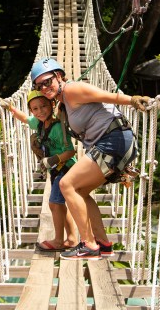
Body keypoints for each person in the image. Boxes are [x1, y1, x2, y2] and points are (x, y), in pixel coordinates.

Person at [29, 57, 150, 260]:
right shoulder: (64, 103)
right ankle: (102, 243)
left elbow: (105, 95)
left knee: (67, 184)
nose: (44, 87)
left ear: (58, 76)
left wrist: (131, 99)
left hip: (113, 140)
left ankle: (88, 245)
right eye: (39, 85)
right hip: (112, 143)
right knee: (81, 191)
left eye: (47, 81)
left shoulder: (72, 90)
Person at [0, 90, 78, 251]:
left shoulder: (57, 127)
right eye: (35, 109)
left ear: (52, 104)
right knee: (59, 205)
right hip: (56, 169)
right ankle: (71, 239)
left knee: (54, 204)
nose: (40, 111)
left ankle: (58, 240)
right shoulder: (39, 124)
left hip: (66, 167)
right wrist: (11, 108)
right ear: (31, 111)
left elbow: (71, 151)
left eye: (43, 106)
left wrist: (53, 159)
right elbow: (24, 118)